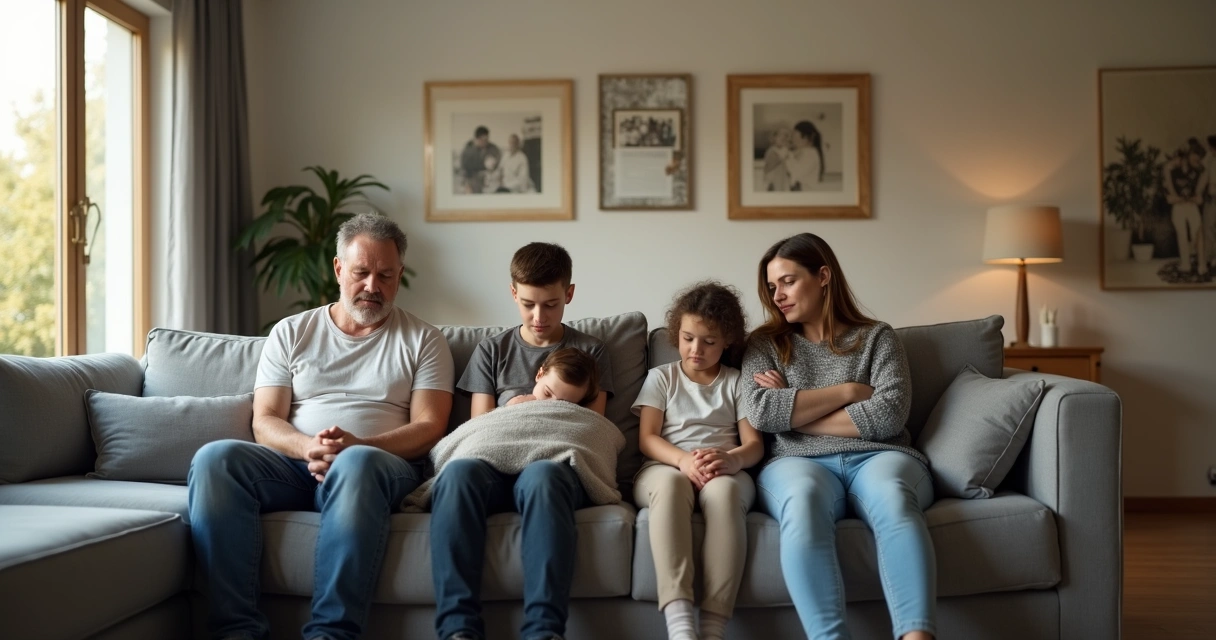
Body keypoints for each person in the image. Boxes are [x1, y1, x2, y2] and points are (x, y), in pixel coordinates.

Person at [187, 213, 455, 640]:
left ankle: (332, 634)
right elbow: (266, 419)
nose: (373, 286)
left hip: (380, 467)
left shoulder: (424, 340)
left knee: (358, 465)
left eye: (386, 275)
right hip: (295, 466)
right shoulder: (291, 332)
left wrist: (358, 446)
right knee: (215, 459)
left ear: (400, 274)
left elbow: (430, 425)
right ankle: (235, 631)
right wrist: (310, 447)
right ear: (337, 269)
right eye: (361, 272)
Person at [742, 233, 935, 640]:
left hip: (881, 456)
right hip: (797, 463)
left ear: (823, 276)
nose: (778, 295)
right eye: (772, 287)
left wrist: (792, 410)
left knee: (895, 497)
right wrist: (848, 392)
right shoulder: (764, 344)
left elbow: (887, 415)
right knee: (803, 501)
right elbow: (761, 411)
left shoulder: (878, 337)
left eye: (788, 281)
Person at [430, 242, 615, 640]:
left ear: (569, 294)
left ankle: (543, 631)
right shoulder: (492, 351)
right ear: (514, 293)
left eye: (550, 304)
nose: (539, 316)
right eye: (528, 303)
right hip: (493, 466)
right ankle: (457, 630)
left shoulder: (590, 352)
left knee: (542, 478)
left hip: (555, 468)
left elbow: (589, 430)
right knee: (459, 472)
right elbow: (479, 431)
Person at [633, 281, 763, 640]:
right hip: (665, 466)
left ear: (727, 341)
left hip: (724, 470)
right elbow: (647, 439)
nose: (696, 349)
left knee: (723, 496)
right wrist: (683, 462)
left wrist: (732, 460)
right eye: (688, 338)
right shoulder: (661, 377)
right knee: (672, 485)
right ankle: (680, 625)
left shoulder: (737, 382)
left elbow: (753, 445)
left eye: (709, 341)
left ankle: (712, 628)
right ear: (677, 334)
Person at [1163, 139, 1209, 275]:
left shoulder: (1200, 170)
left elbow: (1199, 197)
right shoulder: (1172, 168)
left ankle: (1202, 265)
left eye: (1200, 156)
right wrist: (1176, 198)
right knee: (1182, 234)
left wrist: (1192, 197)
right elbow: (1170, 196)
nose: (1198, 159)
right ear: (1188, 154)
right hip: (1178, 206)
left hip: (1191, 205)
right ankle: (1185, 265)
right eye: (1195, 155)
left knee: (1197, 232)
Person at [506, 347, 600, 407]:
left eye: (563, 404)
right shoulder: (517, 403)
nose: (549, 405)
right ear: (540, 374)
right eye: (547, 393)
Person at [459, 126, 501, 193]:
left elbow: (497, 165)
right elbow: (464, 171)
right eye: (483, 140)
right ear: (477, 139)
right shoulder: (468, 151)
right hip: (472, 182)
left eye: (487, 139)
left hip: (489, 183)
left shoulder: (493, 149)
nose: (485, 142)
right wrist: (466, 185)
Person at [787, 120, 825, 191]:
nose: (792, 140)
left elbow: (796, 174)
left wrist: (788, 155)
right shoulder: (803, 152)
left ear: (806, 138)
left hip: (806, 193)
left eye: (795, 137)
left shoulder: (811, 154)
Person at [1203, 135, 1216, 272]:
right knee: (1208, 227)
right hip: (1210, 198)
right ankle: (1209, 257)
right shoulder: (1210, 159)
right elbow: (1202, 166)